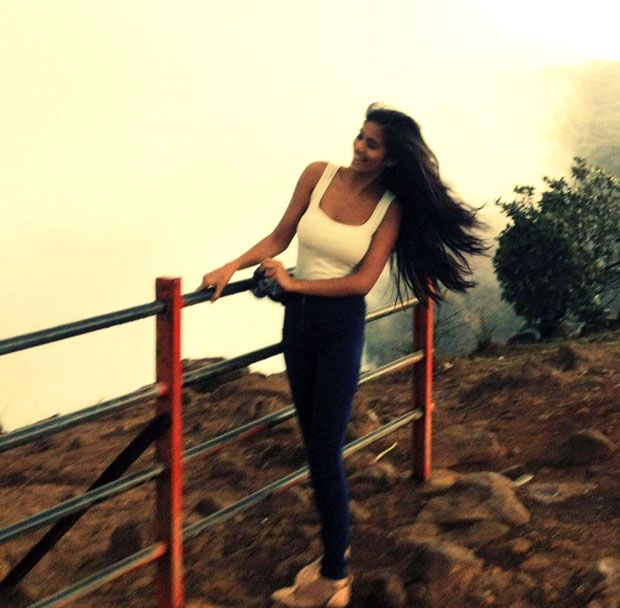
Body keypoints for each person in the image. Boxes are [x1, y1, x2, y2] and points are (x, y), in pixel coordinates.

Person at [198, 103, 486, 607]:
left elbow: (361, 282)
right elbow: (280, 236)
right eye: (360, 136)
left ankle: (334, 578)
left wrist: (294, 283)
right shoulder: (317, 174)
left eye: (372, 144)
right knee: (313, 443)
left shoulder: (390, 208)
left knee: (325, 449)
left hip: (339, 329)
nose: (359, 148)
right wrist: (231, 266)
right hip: (298, 326)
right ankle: (335, 549)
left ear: (391, 158)